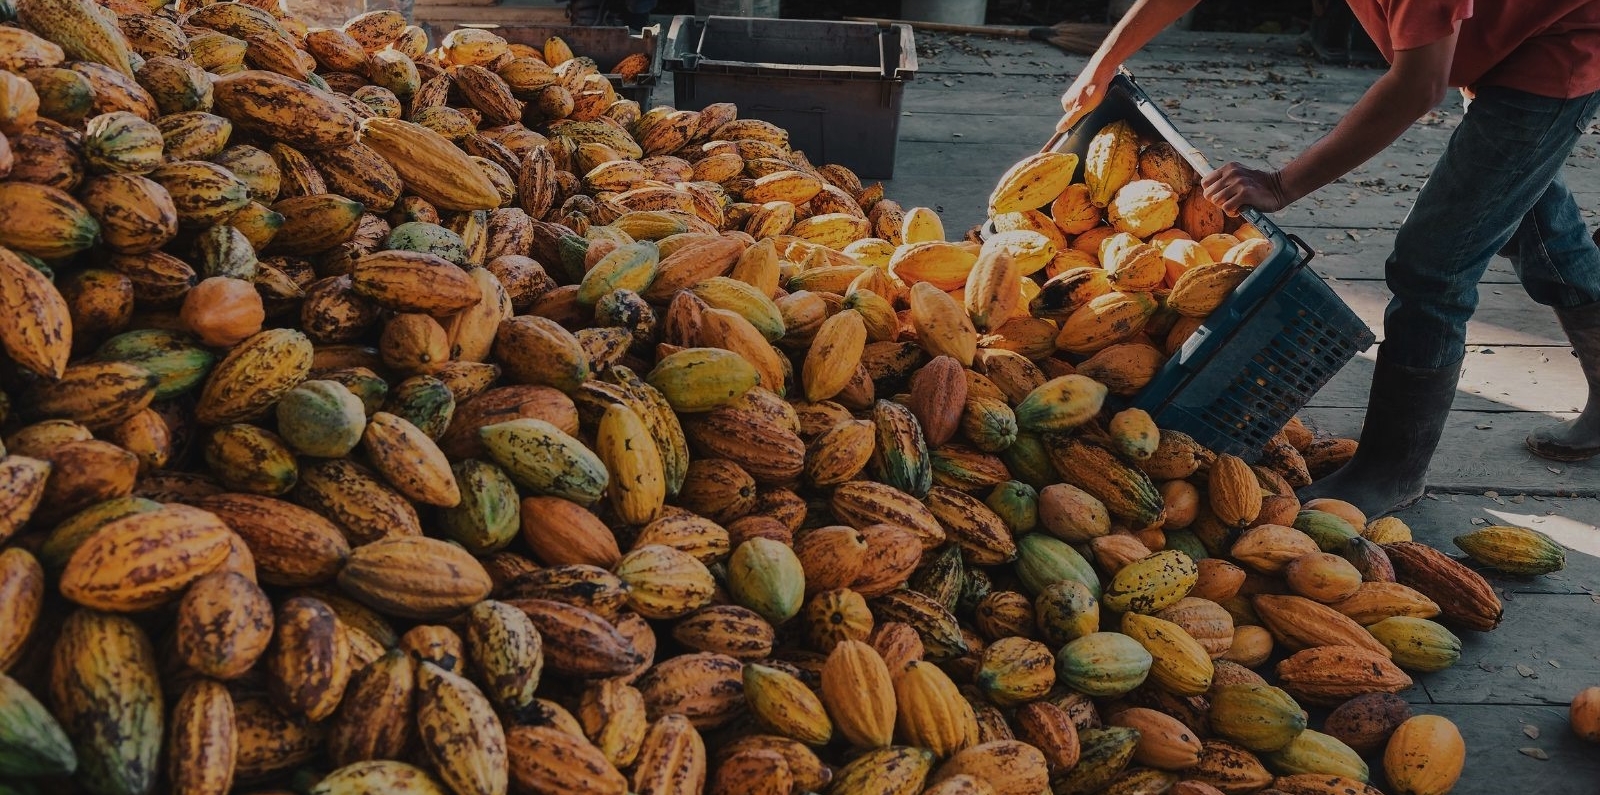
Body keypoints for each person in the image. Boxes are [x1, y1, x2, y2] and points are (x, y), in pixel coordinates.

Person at [1059, 0, 1600, 517]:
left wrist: (1281, 183)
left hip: (1559, 43)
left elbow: (1418, 85)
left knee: (1434, 264)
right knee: (1531, 223)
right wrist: (1104, 62)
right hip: (1501, 34)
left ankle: (1392, 469)